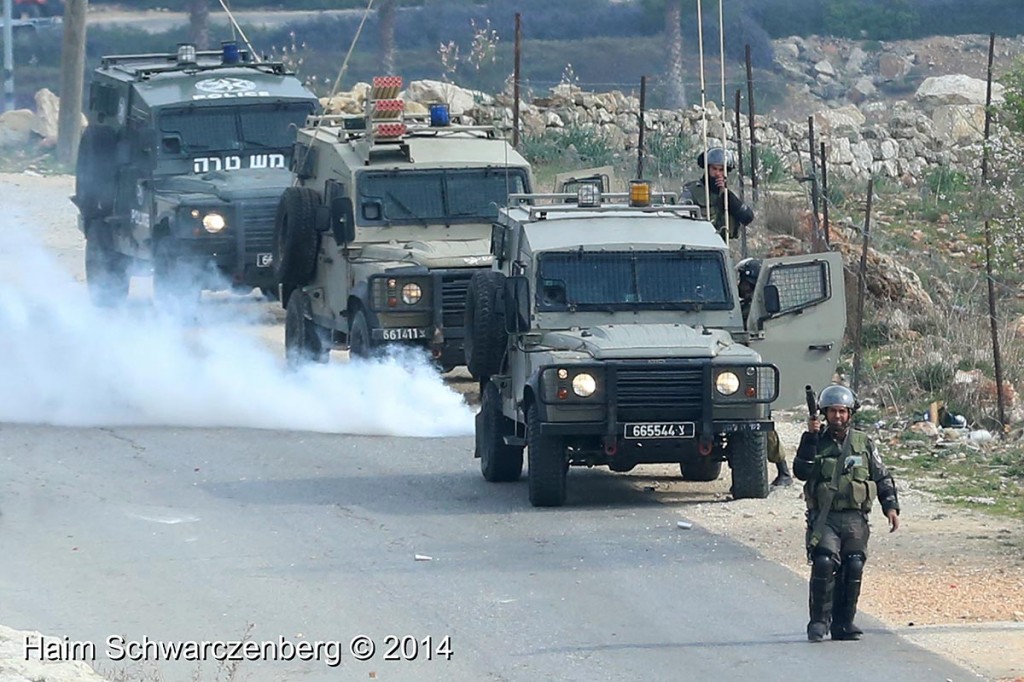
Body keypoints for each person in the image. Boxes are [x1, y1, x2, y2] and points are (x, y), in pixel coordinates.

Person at [794, 384, 900, 642]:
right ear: (824, 414)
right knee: (824, 563)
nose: (838, 417)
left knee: (853, 565)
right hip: (825, 517)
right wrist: (810, 438)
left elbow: (881, 475)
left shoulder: (863, 443)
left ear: (850, 413)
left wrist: (891, 507)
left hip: (855, 517)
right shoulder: (814, 440)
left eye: (842, 411)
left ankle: (844, 622)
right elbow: (801, 472)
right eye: (832, 412)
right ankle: (818, 622)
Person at [735, 257, 792, 487]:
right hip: (747, 370)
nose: (739, 284)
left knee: (762, 421)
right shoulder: (746, 306)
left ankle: (783, 470)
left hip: (755, 371)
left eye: (742, 280)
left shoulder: (754, 310)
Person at [681, 147, 754, 240]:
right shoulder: (692, 191)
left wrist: (725, 195)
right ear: (707, 169)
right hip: (699, 243)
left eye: (721, 170)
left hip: (723, 245)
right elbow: (681, 218)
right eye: (714, 169)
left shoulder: (728, 195)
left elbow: (747, 217)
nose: (718, 173)